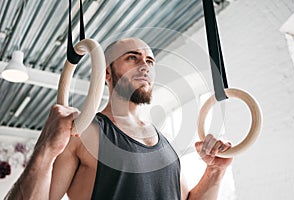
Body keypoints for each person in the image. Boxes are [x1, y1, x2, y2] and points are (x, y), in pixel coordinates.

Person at [5, 38, 232, 200]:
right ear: (106, 73)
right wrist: (45, 148)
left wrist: (216, 171)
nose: (144, 66)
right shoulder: (82, 132)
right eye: (132, 58)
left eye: (150, 61)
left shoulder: (165, 144)